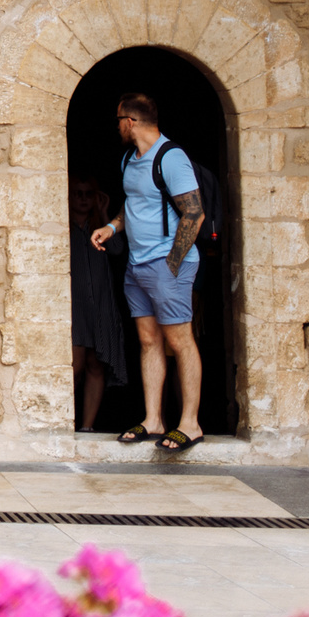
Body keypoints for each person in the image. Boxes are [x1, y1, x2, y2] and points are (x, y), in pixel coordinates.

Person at [87, 92, 206, 452]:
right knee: (149, 340)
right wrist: (112, 226)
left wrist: (172, 264)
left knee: (179, 340)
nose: (118, 127)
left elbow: (194, 213)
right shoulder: (130, 160)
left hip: (167, 265)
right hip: (138, 265)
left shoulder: (171, 158)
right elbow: (136, 203)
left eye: (118, 120)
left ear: (130, 121)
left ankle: (190, 423)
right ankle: (153, 419)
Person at [69, 177, 130, 431]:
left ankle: (87, 427)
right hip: (76, 306)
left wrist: (105, 215)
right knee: (75, 364)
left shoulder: (99, 227)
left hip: (101, 305)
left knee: (96, 364)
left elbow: (117, 251)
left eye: (88, 194)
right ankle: (64, 422)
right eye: (78, 194)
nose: (83, 199)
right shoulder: (65, 227)